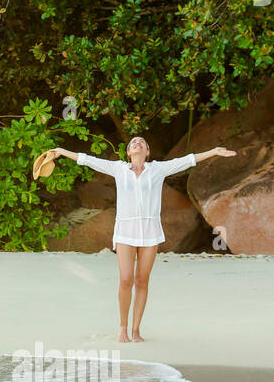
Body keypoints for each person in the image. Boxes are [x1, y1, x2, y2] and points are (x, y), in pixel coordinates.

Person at [43, 138, 236, 342]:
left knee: (142, 280)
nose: (138, 143)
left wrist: (213, 151)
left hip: (150, 232)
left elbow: (187, 160)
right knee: (126, 279)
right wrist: (62, 151)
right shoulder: (118, 168)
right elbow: (88, 160)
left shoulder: (158, 169)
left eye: (142, 142)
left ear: (147, 151)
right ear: (128, 153)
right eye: (133, 142)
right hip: (125, 230)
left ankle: (136, 331)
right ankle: (122, 328)